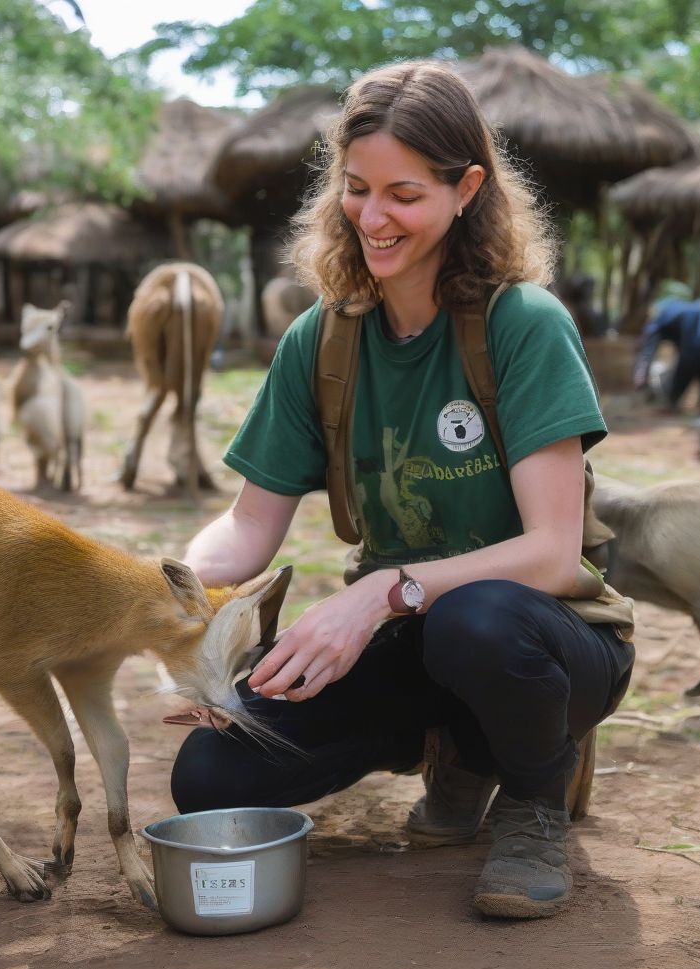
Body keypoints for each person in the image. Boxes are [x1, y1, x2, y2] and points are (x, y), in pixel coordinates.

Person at [169, 60, 635, 921]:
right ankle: (456, 744)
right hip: (408, 640)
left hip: (548, 639)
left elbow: (550, 551)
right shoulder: (322, 342)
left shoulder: (522, 327)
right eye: (356, 189)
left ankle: (533, 798)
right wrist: (166, 599)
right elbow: (245, 529)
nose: (373, 218)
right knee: (211, 775)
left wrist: (385, 590)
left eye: (404, 195)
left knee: (477, 620)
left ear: (467, 190)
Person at [632, 293, 700, 412]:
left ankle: (672, 402)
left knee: (686, 366)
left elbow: (649, 345)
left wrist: (641, 376)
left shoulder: (673, 311)